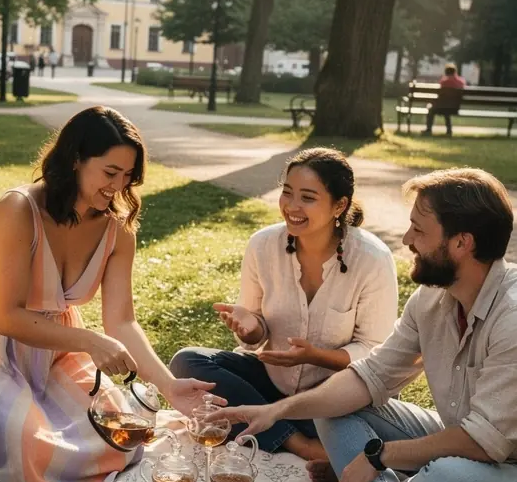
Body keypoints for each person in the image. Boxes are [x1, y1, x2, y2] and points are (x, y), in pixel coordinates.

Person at [223, 168, 517, 482]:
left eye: (418, 230)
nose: (407, 240)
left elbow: (483, 441)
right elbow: (370, 375)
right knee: (336, 409)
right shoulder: (432, 299)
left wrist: (376, 457)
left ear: (461, 243)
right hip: (456, 436)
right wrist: (279, 410)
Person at [0, 106, 217, 482]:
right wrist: (91, 341)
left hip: (56, 352)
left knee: (122, 437)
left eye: (128, 176)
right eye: (110, 172)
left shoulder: (117, 230)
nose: (118, 186)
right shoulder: (19, 209)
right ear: (76, 159)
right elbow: (10, 318)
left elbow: (122, 322)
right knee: (29, 446)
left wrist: (168, 385)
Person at [170, 148, 398, 461]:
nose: (292, 206)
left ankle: (271, 426)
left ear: (339, 205)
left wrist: (316, 357)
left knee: (359, 422)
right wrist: (250, 329)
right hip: (269, 385)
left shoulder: (373, 259)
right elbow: (256, 332)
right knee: (187, 361)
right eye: (287, 193)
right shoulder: (262, 245)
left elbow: (377, 353)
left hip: (330, 398)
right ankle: (298, 443)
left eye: (307, 197)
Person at [423, 63, 466, 136]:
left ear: (446, 72)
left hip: (441, 107)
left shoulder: (443, 82)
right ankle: (449, 130)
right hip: (454, 108)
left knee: (431, 109)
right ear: (455, 72)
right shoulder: (460, 82)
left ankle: (428, 129)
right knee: (447, 110)